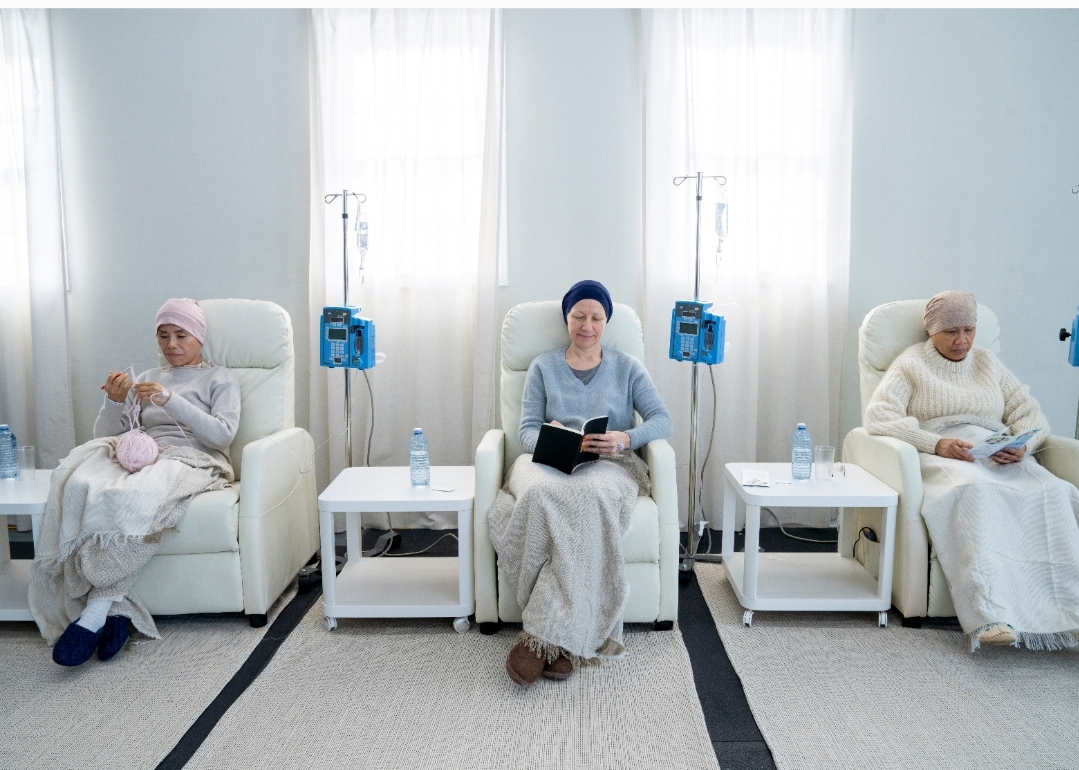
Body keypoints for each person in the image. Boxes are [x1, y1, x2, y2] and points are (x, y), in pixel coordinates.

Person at [29, 298, 240, 666]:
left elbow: (222, 435)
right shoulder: (145, 377)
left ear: (199, 337)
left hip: (194, 459)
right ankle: (117, 612)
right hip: (141, 455)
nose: (171, 344)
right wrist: (113, 402)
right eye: (163, 335)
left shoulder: (219, 378)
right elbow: (106, 435)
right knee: (79, 484)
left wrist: (170, 400)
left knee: (139, 499)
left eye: (181, 335)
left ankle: (95, 613)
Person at [864, 290, 1079, 650]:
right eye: (951, 331)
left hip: (996, 449)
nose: (962, 340)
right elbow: (879, 416)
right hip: (944, 453)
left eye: (969, 330)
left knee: (1056, 491)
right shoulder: (911, 363)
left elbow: (1030, 412)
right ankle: (991, 617)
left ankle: (1071, 615)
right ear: (932, 331)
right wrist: (936, 443)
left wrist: (1023, 445)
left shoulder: (987, 362)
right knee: (974, 491)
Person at [487, 280, 672, 685]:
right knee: (538, 493)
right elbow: (526, 431)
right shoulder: (542, 367)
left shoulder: (628, 367)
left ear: (606, 321)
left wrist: (625, 438)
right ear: (567, 319)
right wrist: (551, 439)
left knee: (588, 498)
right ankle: (562, 637)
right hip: (548, 459)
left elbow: (662, 419)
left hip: (609, 464)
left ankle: (541, 638)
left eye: (596, 318)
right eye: (578, 316)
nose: (587, 326)